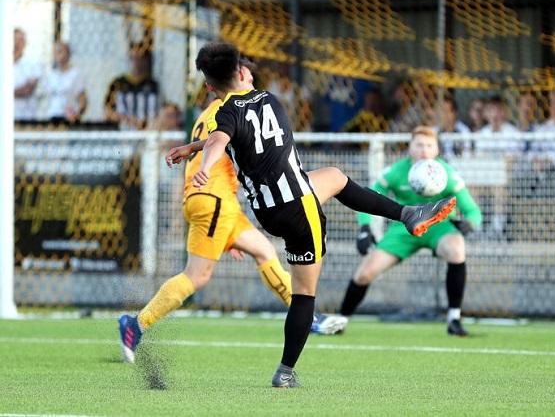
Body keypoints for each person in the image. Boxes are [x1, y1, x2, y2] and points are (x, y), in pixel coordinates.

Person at [167, 43, 456, 388]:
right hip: (298, 206)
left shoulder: (223, 114)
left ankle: (408, 213)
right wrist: (205, 162)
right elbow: (222, 139)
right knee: (304, 295)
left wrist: (195, 151)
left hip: (270, 209)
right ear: (243, 73)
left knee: (334, 177)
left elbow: (220, 138)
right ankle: (285, 372)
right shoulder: (270, 99)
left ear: (210, 87)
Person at [118, 89, 348, 363]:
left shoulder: (208, 114)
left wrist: (227, 231)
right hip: (215, 199)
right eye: (244, 76)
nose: (249, 83)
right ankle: (136, 325)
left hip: (215, 200)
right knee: (196, 276)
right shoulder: (231, 110)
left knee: (264, 250)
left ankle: (308, 317)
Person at [314, 127, 481, 337]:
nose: (424, 150)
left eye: (429, 145)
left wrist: (470, 224)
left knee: (457, 250)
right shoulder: (395, 172)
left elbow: (472, 210)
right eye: (419, 145)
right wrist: (365, 228)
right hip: (403, 228)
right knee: (365, 273)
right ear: (410, 147)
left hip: (439, 227)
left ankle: (454, 320)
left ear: (437, 149)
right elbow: (366, 196)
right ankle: (339, 322)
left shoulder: (447, 174)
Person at [104, 41, 159, 130]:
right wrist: (125, 119)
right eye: (133, 58)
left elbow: (159, 111)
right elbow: (107, 111)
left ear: (146, 60)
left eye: (140, 58)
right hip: (124, 129)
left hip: (147, 129)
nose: (136, 62)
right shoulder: (118, 83)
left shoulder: (153, 84)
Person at [44, 42, 87, 124]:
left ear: (68, 54)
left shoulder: (75, 74)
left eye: (60, 51)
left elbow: (83, 101)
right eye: (55, 52)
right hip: (53, 115)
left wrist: (77, 116)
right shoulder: (51, 75)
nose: (57, 55)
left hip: (69, 117)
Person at [13, 28, 41, 121]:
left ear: (25, 43)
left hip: (26, 117)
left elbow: (27, 90)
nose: (16, 43)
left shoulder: (33, 63)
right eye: (14, 39)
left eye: (20, 40)